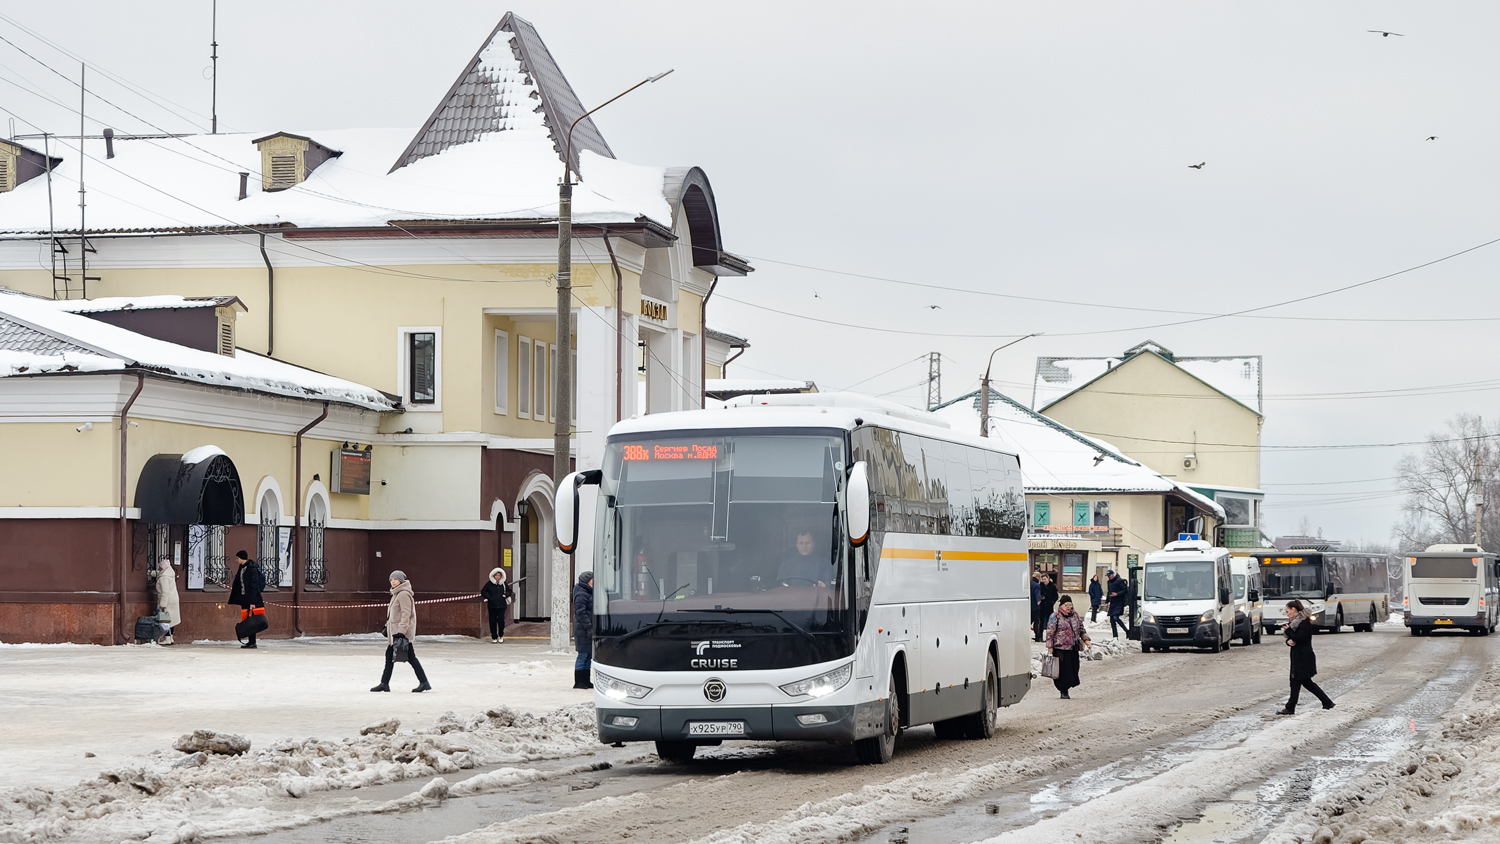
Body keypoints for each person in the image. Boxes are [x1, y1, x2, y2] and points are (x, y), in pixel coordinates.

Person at [372, 571, 431, 693]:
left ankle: (424, 682)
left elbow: (406, 614)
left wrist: (401, 631)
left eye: (395, 579)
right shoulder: (396, 594)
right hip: (395, 632)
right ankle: (384, 683)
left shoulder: (403, 594)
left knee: (411, 658)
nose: (393, 582)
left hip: (401, 634)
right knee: (389, 656)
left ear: (401, 581)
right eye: (391, 580)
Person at [1278, 599, 1334, 715]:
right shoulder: (1295, 623)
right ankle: (1291, 707)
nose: (1287, 614)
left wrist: (1288, 630)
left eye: (1287, 611)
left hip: (1304, 658)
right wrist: (1288, 641)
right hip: (1298, 657)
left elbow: (1299, 637)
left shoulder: (1304, 622)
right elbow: (1293, 639)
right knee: (1295, 682)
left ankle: (1327, 702)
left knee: (1304, 682)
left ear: (1294, 609)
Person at [1045, 595, 1089, 699]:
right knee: (1063, 671)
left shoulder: (1075, 615)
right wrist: (1050, 646)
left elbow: (1081, 629)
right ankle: (1063, 691)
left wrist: (1086, 640)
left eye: (1070, 605)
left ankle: (1068, 686)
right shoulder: (1055, 616)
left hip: (1073, 647)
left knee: (1074, 668)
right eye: (1066, 605)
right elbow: (1050, 633)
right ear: (1061, 605)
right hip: (1060, 648)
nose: (1069, 607)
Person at [227, 550, 265, 649]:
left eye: (237, 558)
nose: (236, 560)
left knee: (252, 621)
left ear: (241, 558)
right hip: (245, 599)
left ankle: (252, 642)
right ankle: (250, 641)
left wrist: (252, 602)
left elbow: (253, 586)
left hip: (252, 600)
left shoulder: (252, 569)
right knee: (247, 620)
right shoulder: (242, 567)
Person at [480, 567, 513, 643]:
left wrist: (506, 595)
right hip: (492, 606)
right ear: (493, 576)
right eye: (496, 575)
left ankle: (501, 635)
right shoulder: (489, 584)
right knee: (492, 621)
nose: (498, 577)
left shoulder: (503, 584)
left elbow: (509, 590)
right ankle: (494, 637)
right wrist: (489, 597)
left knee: (501, 621)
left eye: (499, 575)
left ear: (501, 576)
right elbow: (483, 591)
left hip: (501, 605)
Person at [573, 571, 594, 689]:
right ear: (588, 580)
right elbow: (581, 612)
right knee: (582, 655)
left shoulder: (589, 592)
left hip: (587, 628)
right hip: (583, 629)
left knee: (588, 655)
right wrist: (588, 626)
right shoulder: (581, 593)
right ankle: (579, 681)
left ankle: (586, 680)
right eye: (592, 579)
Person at [154, 557, 181, 646]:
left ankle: (167, 638)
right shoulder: (169, 574)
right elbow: (159, 573)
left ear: (162, 568)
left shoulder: (164, 578)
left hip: (167, 600)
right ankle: (171, 637)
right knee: (171, 619)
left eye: (160, 567)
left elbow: (165, 592)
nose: (159, 569)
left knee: (165, 620)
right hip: (173, 599)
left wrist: (163, 605)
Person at [1106, 569, 1132, 638]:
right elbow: (1109, 592)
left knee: (1116, 618)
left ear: (1113, 575)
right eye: (1108, 576)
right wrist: (1107, 601)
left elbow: (1125, 590)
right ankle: (1115, 636)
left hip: (1119, 602)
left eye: (1109, 575)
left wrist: (1117, 594)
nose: (1109, 577)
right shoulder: (1109, 582)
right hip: (1112, 602)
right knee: (1112, 620)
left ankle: (1126, 630)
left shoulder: (1119, 581)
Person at [1034, 574, 1058, 643]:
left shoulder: (1052, 586)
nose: (1044, 581)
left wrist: (1052, 601)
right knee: (1041, 622)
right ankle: (1040, 637)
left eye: (1045, 579)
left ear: (1048, 579)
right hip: (1042, 607)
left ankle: (1049, 637)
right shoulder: (1040, 586)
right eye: (1042, 579)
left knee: (1050, 623)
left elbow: (1056, 596)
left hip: (1049, 606)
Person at [1030, 573, 1042, 639]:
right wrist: (1039, 600)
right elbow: (1037, 593)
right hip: (1035, 607)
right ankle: (1037, 636)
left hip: (1029, 606)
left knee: (1029, 621)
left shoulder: (1030, 583)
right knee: (1036, 622)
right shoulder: (1037, 585)